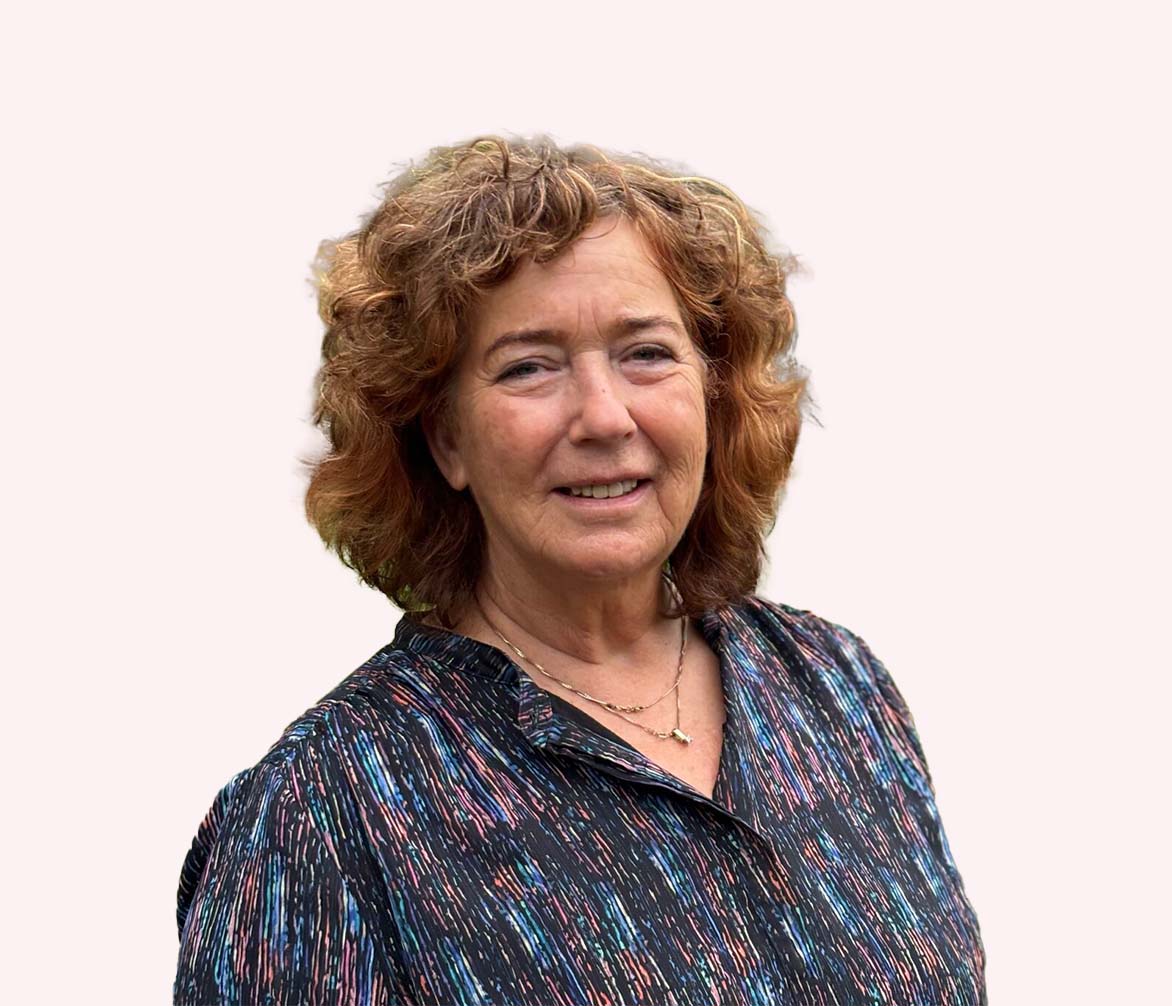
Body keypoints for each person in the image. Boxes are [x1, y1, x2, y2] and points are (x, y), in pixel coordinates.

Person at [173, 135, 987, 1005]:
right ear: (445, 439)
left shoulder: (837, 688)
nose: (604, 416)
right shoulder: (326, 812)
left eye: (646, 353)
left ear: (712, 392)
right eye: (529, 367)